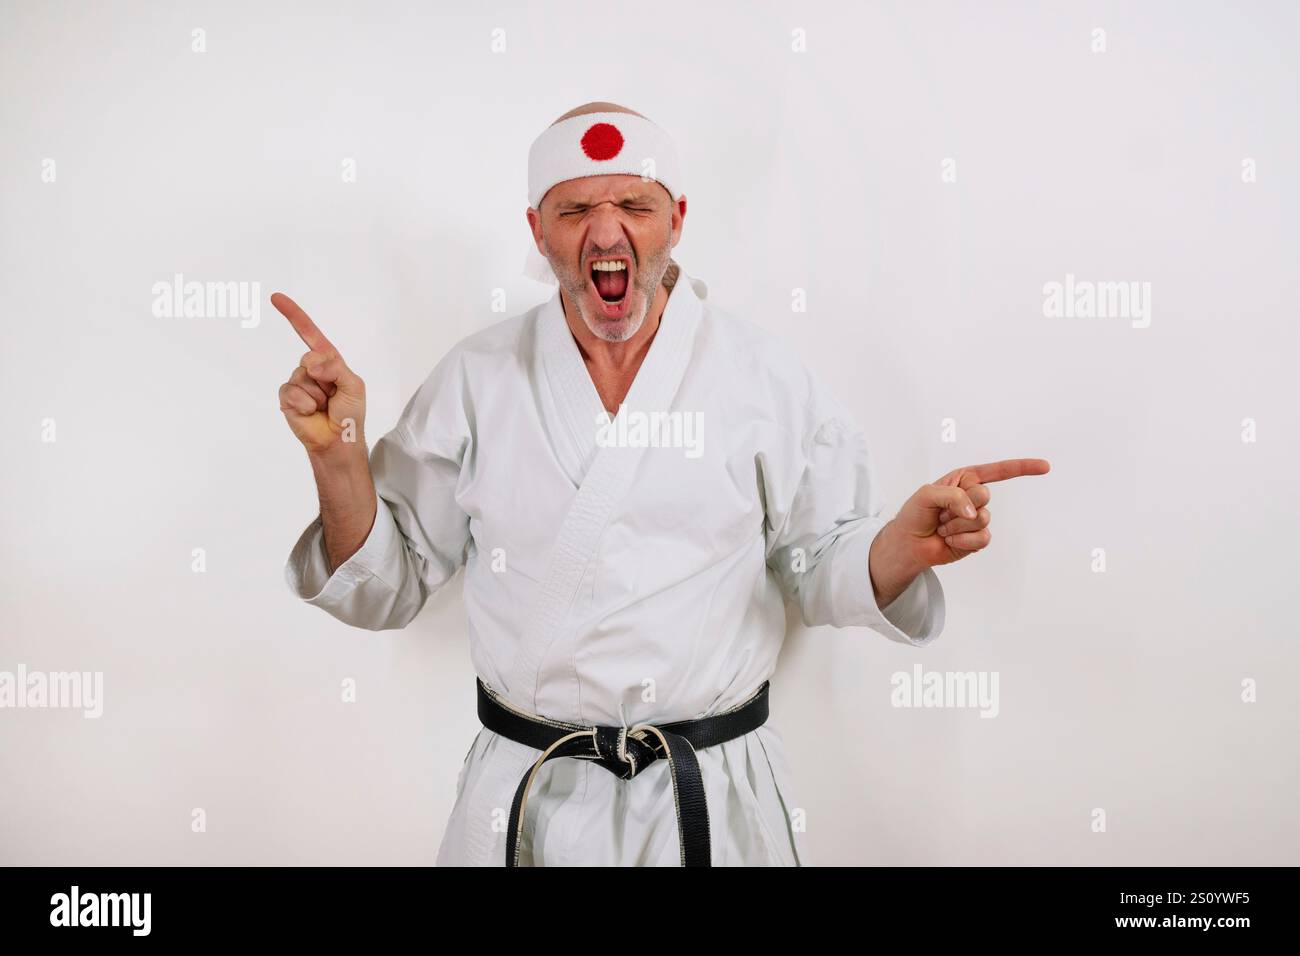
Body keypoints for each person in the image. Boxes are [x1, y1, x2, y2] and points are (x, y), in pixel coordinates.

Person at [275, 101, 1050, 866]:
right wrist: (338, 455)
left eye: (635, 205)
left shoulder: (762, 377)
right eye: (575, 208)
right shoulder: (476, 381)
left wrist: (896, 547)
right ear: (538, 231)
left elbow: (817, 568)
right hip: (528, 802)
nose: (606, 232)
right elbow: (388, 585)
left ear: (676, 219)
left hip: (711, 800)